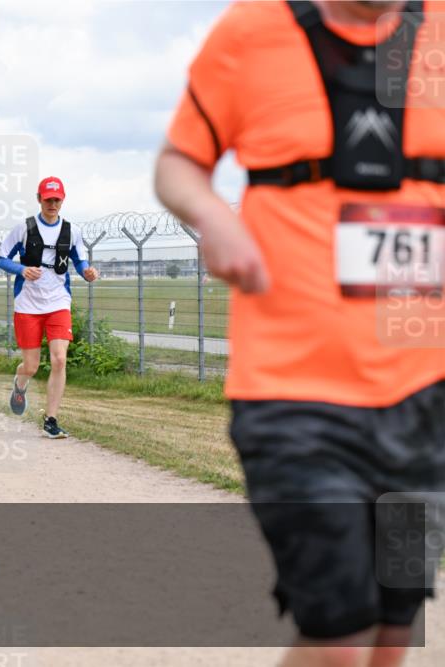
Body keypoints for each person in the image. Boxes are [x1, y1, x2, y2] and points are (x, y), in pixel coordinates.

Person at [154, 2, 444, 666]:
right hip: (294, 390)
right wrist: (210, 214)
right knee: (341, 624)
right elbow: (178, 161)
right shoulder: (252, 32)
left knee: (395, 624)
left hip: (425, 392)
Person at [0, 176, 100, 438]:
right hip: (28, 305)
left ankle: (51, 419)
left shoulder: (71, 230)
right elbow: (1, 259)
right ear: (39, 199)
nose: (52, 204)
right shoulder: (24, 228)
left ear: (63, 200)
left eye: (57, 199)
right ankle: (20, 385)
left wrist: (87, 272)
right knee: (31, 366)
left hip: (58, 303)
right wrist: (22, 269)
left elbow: (79, 261)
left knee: (59, 359)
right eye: (48, 199)